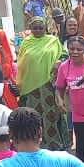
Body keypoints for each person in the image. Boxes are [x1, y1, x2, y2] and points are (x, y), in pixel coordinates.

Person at [17, 18, 69, 151]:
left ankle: (55, 145)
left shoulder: (53, 41)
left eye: (41, 28)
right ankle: (34, 145)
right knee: (33, 116)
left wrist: (58, 62)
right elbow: (21, 63)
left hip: (49, 85)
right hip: (30, 87)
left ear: (45, 28)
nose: (38, 30)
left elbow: (64, 56)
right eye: (35, 28)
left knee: (52, 114)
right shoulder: (26, 43)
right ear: (31, 29)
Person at [0, 28, 18, 109]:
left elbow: (5, 73)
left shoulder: (6, 53)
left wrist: (2, 54)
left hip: (4, 88)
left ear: (1, 39)